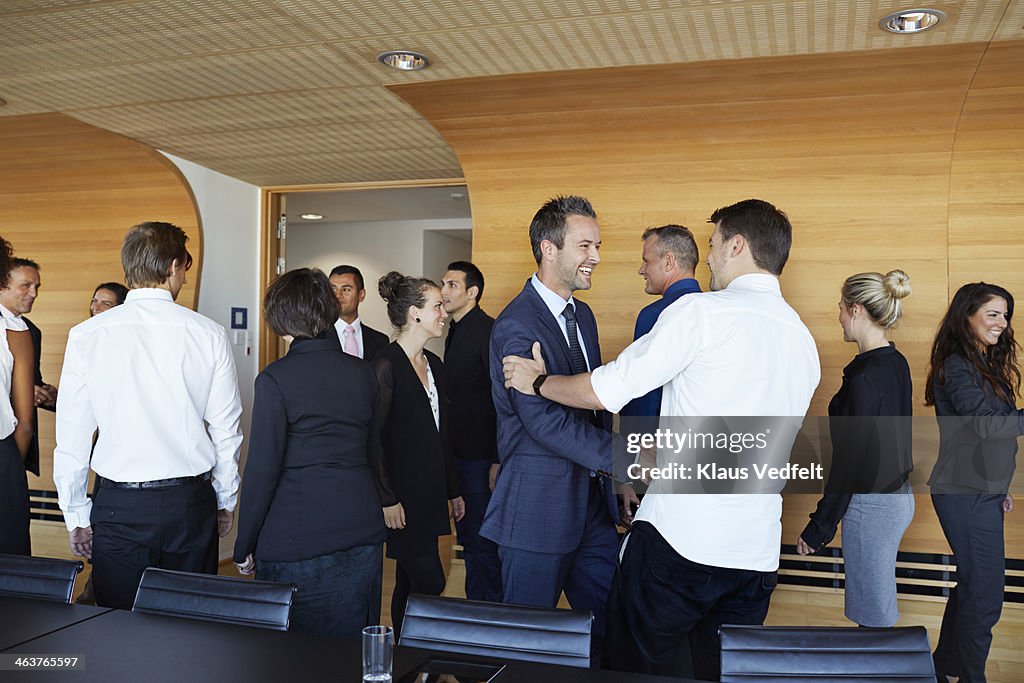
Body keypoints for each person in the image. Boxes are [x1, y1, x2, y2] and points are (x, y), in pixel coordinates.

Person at [501, 198, 820, 680]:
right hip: (755, 553)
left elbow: (604, 390)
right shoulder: (803, 338)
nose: (707, 258)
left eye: (712, 245)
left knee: (638, 669)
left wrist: (539, 383)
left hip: (682, 543)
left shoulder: (700, 313)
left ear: (736, 245)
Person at [54, 221, 243, 609]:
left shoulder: (87, 334)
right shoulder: (207, 333)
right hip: (190, 504)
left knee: (116, 624)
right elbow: (226, 429)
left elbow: (72, 434)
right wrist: (225, 499)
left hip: (118, 505)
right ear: (174, 266)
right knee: (191, 620)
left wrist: (75, 512)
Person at [482, 195, 620, 664]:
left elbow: (590, 400)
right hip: (537, 511)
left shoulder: (584, 315)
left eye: (597, 245)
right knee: (524, 645)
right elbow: (541, 420)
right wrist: (622, 458)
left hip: (593, 510)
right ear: (549, 249)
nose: (596, 257)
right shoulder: (515, 324)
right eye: (585, 246)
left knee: (606, 631)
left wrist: (612, 477)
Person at [234, 268, 386, 638]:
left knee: (293, 656)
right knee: (351, 649)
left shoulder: (275, 378)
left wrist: (244, 542)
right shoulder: (363, 373)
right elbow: (373, 452)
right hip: (361, 530)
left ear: (281, 318)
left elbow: (262, 471)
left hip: (297, 535)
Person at [797, 270, 915, 627]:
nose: (839, 318)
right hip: (897, 497)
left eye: (841, 309)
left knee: (873, 615)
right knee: (875, 606)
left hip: (873, 504)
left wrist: (819, 527)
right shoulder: (894, 361)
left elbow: (849, 466)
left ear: (857, 310)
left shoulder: (865, 378)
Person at [925, 282, 1024, 683]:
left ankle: (943, 669)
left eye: (1005, 315)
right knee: (984, 598)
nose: (1002, 323)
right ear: (967, 315)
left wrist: (1000, 485)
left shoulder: (980, 364)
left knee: (973, 587)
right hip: (965, 493)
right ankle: (968, 676)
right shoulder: (958, 365)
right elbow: (986, 427)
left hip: (982, 492)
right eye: (993, 314)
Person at [372, 271, 464, 638]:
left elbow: (443, 437)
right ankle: (436, 661)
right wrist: (387, 499)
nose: (444, 312)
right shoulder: (383, 367)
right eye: (438, 305)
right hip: (402, 502)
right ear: (414, 313)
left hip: (429, 496)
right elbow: (372, 440)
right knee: (430, 580)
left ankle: (407, 662)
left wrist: (453, 489)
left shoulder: (435, 366)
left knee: (409, 585)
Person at [619, 225, 701, 526]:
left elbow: (642, 396)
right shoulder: (716, 313)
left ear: (668, 262)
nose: (641, 269)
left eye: (646, 260)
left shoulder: (656, 315)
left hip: (653, 463)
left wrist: (627, 473)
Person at [441, 260, 503, 602]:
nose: (444, 290)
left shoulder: (487, 331)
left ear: (472, 292)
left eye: (452, 285)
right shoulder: (454, 329)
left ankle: (486, 615)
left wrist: (497, 458)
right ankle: (476, 610)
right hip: (459, 455)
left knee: (482, 543)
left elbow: (501, 400)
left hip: (481, 458)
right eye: (444, 283)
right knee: (469, 538)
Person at [0, 257, 57, 478]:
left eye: (37, 287)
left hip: (14, 448)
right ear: (3, 284)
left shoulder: (31, 332)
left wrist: (46, 395)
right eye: (26, 286)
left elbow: (31, 381)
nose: (33, 293)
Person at [0, 239, 35, 556]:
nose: (34, 293)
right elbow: (24, 424)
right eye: (26, 285)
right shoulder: (16, 330)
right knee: (10, 567)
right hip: (3, 454)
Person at [330, 265, 389, 360]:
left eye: (345, 290)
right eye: (333, 289)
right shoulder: (318, 338)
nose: (338, 295)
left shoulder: (380, 341)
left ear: (361, 295)